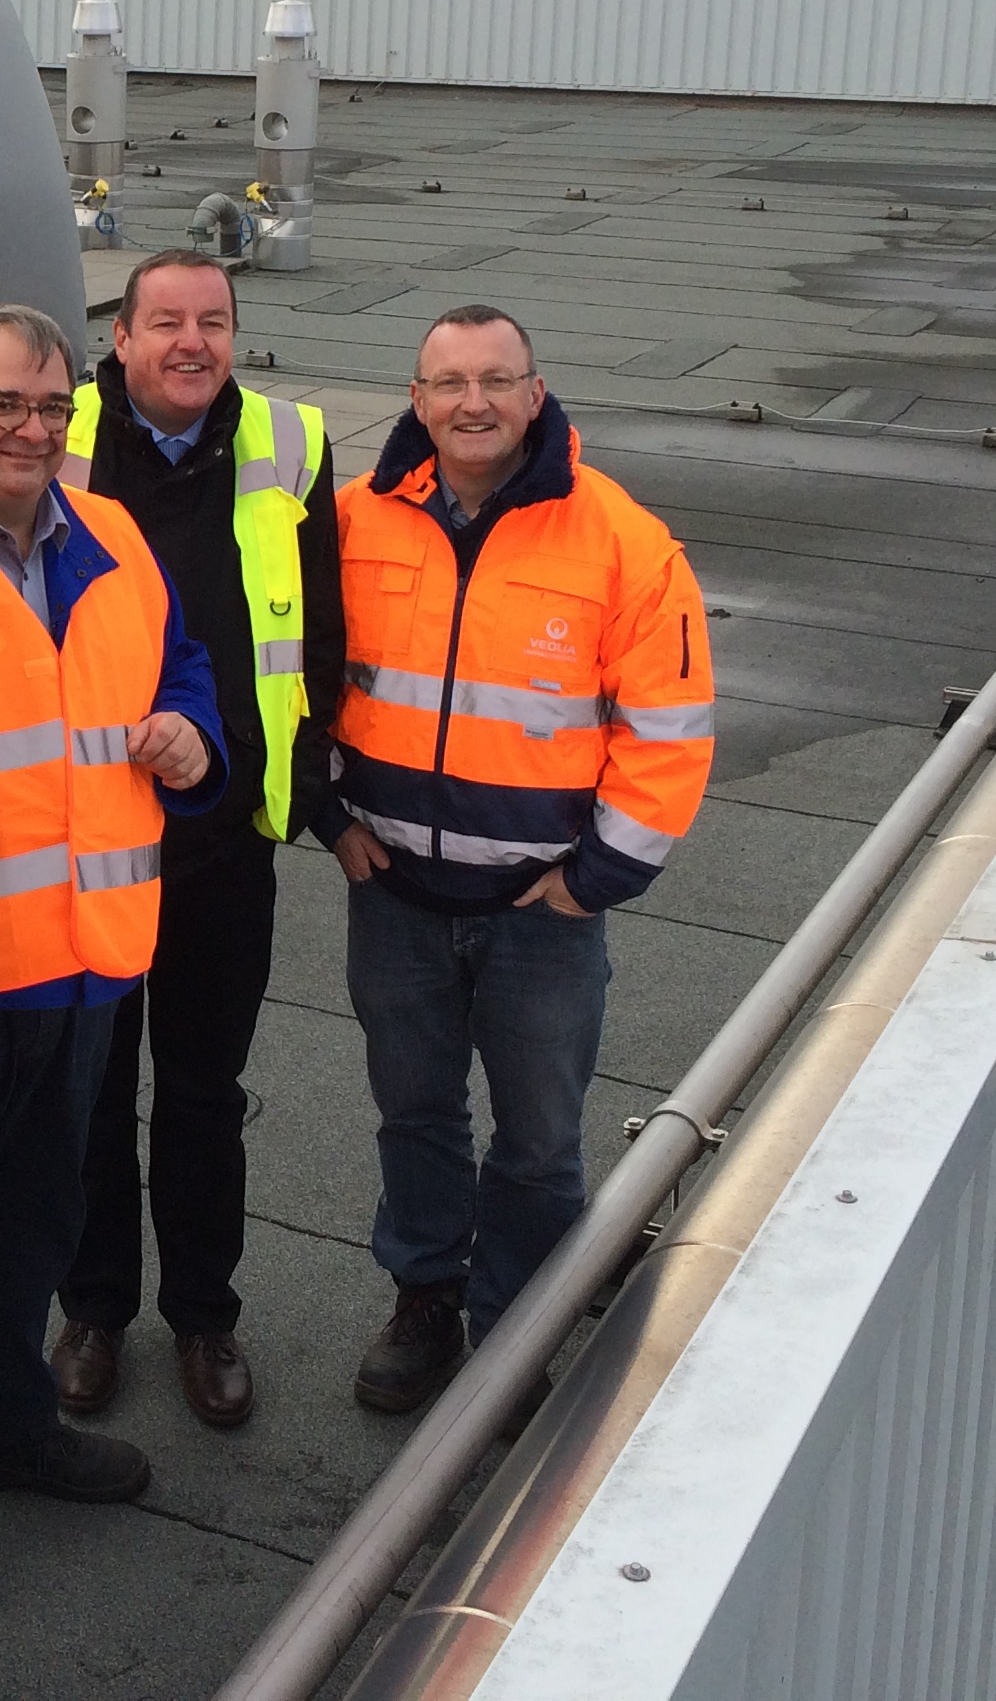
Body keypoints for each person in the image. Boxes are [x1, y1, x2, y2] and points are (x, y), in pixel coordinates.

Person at [0, 304, 228, 1609]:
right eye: (5, 404)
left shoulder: (110, 534)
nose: (33, 430)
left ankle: (4, 1429)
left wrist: (189, 731)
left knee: (35, 1224)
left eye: (52, 409)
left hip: (82, 963)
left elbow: (182, 669)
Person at [328, 305, 714, 1415]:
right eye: (449, 383)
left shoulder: (622, 542)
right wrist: (330, 816)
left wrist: (594, 878)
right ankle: (426, 1296)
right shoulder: (358, 522)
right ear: (417, 399)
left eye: (498, 380)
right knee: (415, 1113)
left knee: (540, 1139)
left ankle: (515, 1329)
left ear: (535, 395)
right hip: (394, 890)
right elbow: (302, 673)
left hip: (542, 911)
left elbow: (671, 728)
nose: (474, 403)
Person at [50, 249, 341, 1428]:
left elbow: (320, 632)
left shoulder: (289, 444)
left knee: (205, 1091)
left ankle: (206, 1316)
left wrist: (308, 783)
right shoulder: (55, 432)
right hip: (86, 829)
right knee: (91, 1089)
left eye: (211, 322)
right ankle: (94, 1312)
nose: (190, 343)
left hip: (221, 838)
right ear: (118, 339)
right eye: (163, 321)